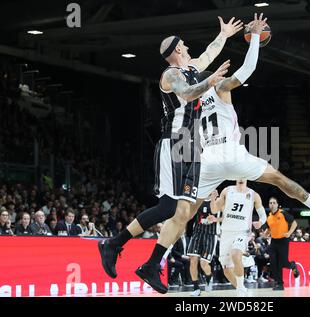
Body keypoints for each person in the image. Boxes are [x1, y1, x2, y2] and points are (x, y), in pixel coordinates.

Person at [142, 13, 310, 293]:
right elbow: (247, 69)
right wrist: (255, 37)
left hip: (205, 160)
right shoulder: (219, 85)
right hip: (232, 154)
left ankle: (158, 259)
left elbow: (202, 64)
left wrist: (222, 36)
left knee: (184, 213)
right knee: (278, 179)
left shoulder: (193, 97)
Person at [98, 16, 241, 294]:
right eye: (184, 45)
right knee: (167, 208)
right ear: (176, 50)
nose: (188, 47)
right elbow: (187, 94)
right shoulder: (170, 75)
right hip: (174, 142)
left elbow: (210, 52)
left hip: (191, 146)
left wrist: (223, 35)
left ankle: (151, 265)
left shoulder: (189, 67)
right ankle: (114, 243)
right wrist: (210, 80)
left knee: (184, 211)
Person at [210, 179, 267, 297]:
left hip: (242, 232)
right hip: (226, 233)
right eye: (238, 176)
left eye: (243, 176)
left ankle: (240, 291)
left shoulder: (253, 195)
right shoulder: (227, 191)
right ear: (235, 177)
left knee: (236, 254)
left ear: (247, 178)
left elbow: (263, 215)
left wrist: (260, 222)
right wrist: (213, 198)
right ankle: (242, 289)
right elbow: (214, 209)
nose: (241, 178)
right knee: (226, 269)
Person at [264, 197, 300, 290]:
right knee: (273, 263)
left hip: (283, 240)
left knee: (283, 263)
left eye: (274, 203)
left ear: (277, 204)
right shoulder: (269, 217)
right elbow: (269, 229)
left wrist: (289, 233)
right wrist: (266, 234)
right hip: (274, 241)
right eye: (270, 203)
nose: (272, 204)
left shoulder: (283, 213)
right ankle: (280, 284)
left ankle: (292, 265)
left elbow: (294, 223)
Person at [187, 195, 220, 296]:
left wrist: (215, 219)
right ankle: (196, 288)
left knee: (203, 263)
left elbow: (227, 217)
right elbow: (190, 215)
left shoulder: (219, 200)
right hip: (197, 233)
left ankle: (209, 277)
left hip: (210, 234)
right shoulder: (198, 199)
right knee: (193, 261)